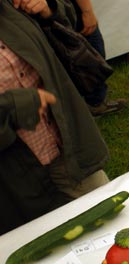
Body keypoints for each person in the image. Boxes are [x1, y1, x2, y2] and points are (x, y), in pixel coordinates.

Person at [0, 0, 110, 234]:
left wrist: (47, 9)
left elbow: (69, 22)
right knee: (46, 259)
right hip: (16, 184)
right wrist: (13, 106)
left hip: (66, 149)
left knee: (111, 224)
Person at [69, 0, 127, 116]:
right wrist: (87, 11)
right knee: (92, 51)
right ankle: (96, 102)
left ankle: (93, 98)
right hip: (68, 10)